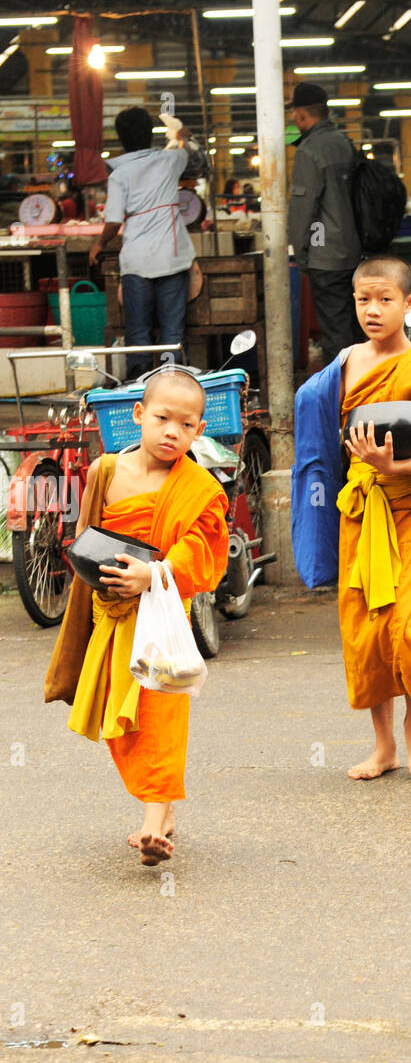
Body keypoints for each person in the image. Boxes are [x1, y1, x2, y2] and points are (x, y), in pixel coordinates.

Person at [291, 256, 411, 778]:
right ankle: (382, 746)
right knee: (369, 630)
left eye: (385, 300)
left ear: (410, 305)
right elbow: (324, 439)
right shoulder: (345, 365)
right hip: (362, 511)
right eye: (363, 300)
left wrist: (393, 463)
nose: (372, 310)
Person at [44, 368, 229, 867]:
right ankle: (160, 810)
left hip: (163, 615)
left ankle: (153, 821)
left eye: (187, 425)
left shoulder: (199, 489)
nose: (173, 432)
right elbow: (87, 535)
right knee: (121, 721)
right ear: (139, 415)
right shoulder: (106, 470)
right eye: (163, 418)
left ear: (199, 432)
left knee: (161, 714)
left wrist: (155, 575)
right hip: (113, 616)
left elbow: (203, 555)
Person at [89, 107, 196, 377]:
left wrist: (99, 245)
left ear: (120, 137)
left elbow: (113, 222)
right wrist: (183, 138)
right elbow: (197, 159)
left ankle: (137, 388)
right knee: (173, 331)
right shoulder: (170, 160)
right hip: (172, 257)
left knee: (137, 330)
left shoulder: (118, 175)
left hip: (136, 261)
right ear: (150, 134)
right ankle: (173, 385)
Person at [287, 81, 365, 365]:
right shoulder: (346, 144)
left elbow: (302, 209)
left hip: (326, 255)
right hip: (354, 251)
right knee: (359, 328)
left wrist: (301, 252)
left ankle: (344, 398)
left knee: (335, 332)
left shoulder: (308, 151)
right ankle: (367, 392)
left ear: (300, 115)